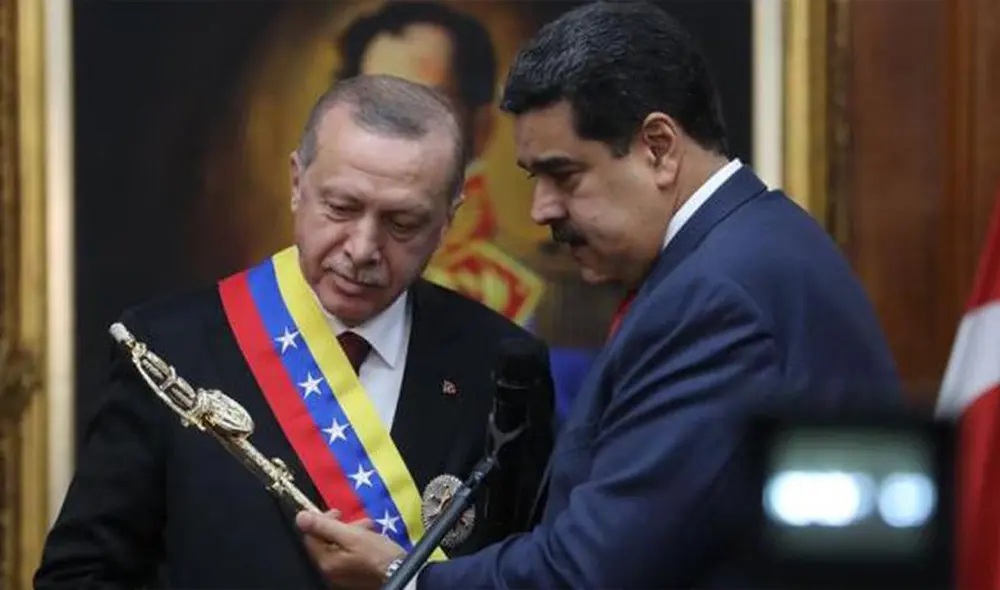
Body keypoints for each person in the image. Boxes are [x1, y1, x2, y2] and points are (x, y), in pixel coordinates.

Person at [293, 3, 904, 588]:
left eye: (565, 174)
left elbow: (591, 572)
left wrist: (409, 579)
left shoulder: (716, 298)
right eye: (536, 179)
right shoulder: (745, 249)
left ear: (658, 147)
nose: (541, 210)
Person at [34, 75, 554, 590]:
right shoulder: (168, 348)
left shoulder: (502, 365)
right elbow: (79, 576)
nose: (362, 248)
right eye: (342, 208)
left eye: (402, 223)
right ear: (296, 184)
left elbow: (539, 573)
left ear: (447, 222)